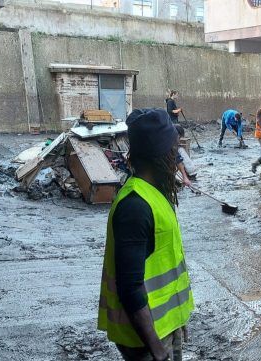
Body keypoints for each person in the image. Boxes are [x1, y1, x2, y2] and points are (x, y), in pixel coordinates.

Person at [98, 108, 194, 361]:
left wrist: (176, 321)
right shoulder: (135, 206)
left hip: (163, 326)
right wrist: (158, 351)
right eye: (175, 150)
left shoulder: (156, 194)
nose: (178, 156)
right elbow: (129, 288)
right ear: (161, 156)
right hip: (144, 339)